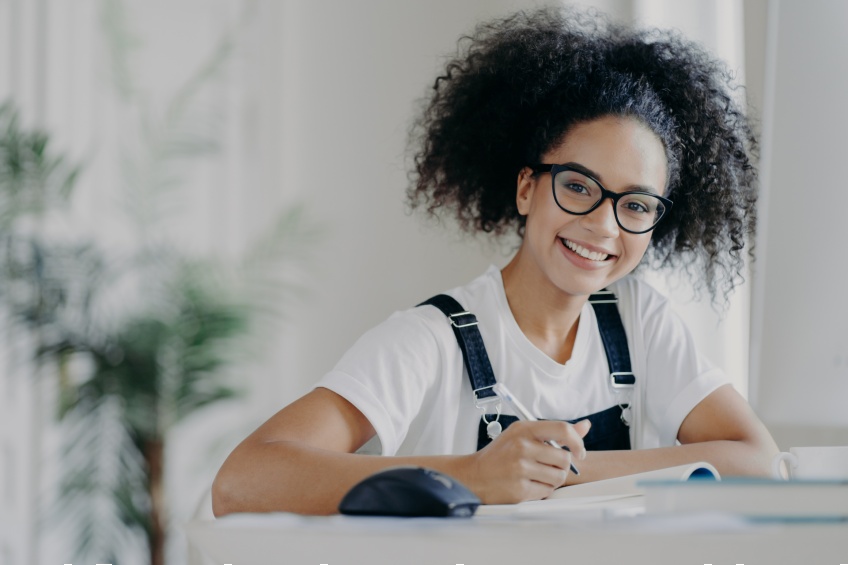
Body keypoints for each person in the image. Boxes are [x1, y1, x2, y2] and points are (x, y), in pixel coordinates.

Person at [212, 7, 778, 517]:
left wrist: (560, 474)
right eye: (579, 187)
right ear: (527, 189)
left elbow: (757, 460)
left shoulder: (640, 321)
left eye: (635, 204)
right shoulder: (430, 340)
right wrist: (474, 476)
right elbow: (242, 482)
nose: (604, 225)